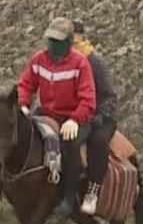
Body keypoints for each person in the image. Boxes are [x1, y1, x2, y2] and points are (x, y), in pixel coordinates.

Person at [17, 16, 97, 209]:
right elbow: (26, 84)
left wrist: (75, 120)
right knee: (21, 133)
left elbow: (88, 100)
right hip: (47, 113)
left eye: (58, 41)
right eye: (51, 40)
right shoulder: (39, 60)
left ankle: (68, 197)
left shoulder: (80, 64)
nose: (53, 45)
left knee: (70, 146)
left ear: (68, 42)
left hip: (73, 118)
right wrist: (23, 104)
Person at [71, 20, 118, 216]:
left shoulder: (94, 62)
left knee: (98, 141)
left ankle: (93, 190)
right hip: (76, 114)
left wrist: (99, 115)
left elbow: (109, 95)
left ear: (81, 36)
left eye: (74, 36)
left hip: (100, 116)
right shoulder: (64, 62)